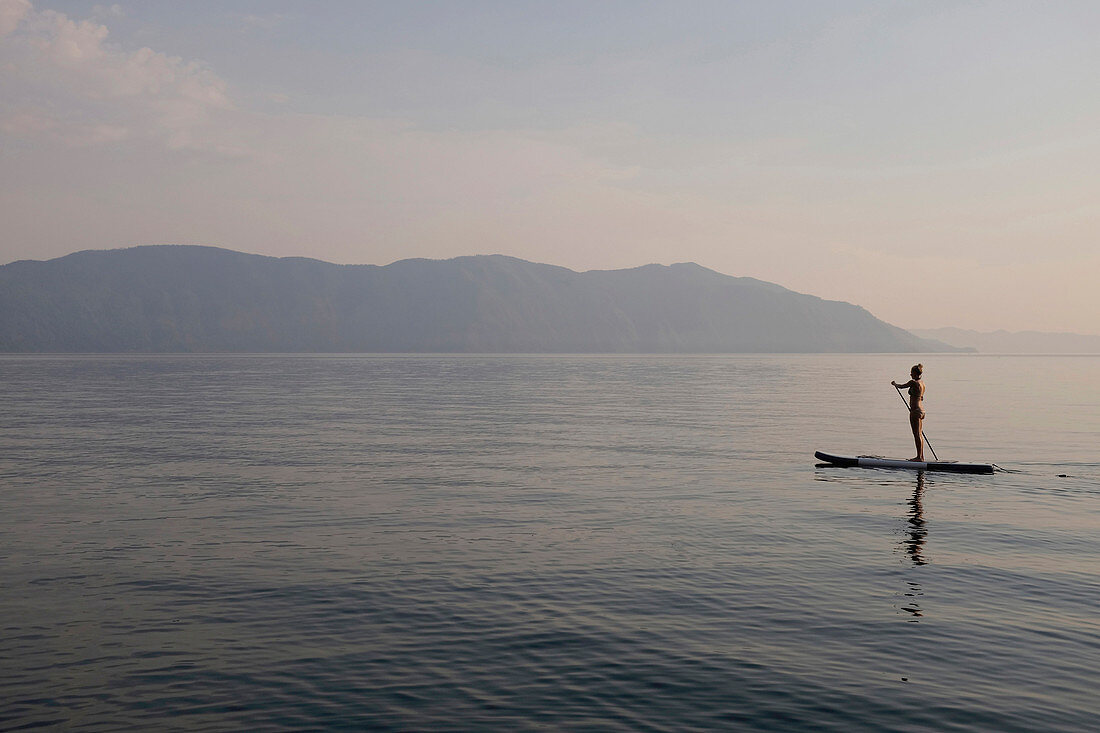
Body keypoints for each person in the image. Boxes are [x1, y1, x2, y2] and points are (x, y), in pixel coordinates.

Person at [892, 364, 926, 461]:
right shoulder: (922, 384)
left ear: (915, 374)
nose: (910, 375)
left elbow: (901, 386)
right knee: (919, 434)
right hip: (921, 411)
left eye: (911, 373)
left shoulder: (913, 382)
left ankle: (919, 457)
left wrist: (895, 384)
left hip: (915, 411)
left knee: (916, 434)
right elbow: (921, 397)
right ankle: (921, 456)